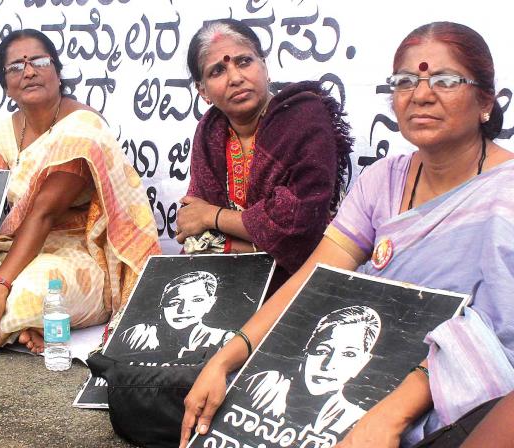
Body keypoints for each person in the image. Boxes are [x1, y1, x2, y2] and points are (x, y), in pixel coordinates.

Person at [179, 22, 514, 448]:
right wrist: (228, 357)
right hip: (367, 376)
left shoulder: (506, 196)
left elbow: (495, 337)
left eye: (446, 81)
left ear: (485, 100)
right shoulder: (384, 179)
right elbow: (312, 277)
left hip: (462, 398)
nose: (421, 94)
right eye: (405, 81)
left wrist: (391, 416)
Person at [0, 29, 160, 352]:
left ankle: (19, 324)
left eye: (39, 61)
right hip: (21, 247)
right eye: (16, 67)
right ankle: (19, 329)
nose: (28, 71)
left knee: (29, 294)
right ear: (4, 85)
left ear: (57, 73)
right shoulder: (3, 131)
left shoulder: (82, 126)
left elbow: (44, 212)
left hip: (81, 253)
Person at [175, 19, 352, 291]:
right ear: (203, 91)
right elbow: (193, 229)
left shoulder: (305, 117)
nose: (235, 77)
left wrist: (212, 216)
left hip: (305, 280)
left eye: (244, 61)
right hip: (229, 283)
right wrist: (259, 240)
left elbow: (299, 227)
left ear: (265, 67)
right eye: (218, 71)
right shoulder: (209, 131)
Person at [244, 306, 380, 440]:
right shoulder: (265, 385)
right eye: (323, 350)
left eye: (348, 354)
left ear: (361, 363)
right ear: (307, 350)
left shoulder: (358, 423)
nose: (328, 365)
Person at [120, 271, 233, 358]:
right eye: (174, 302)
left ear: (210, 303)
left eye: (197, 300)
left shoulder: (224, 340)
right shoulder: (138, 335)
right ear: (162, 306)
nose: (183, 310)